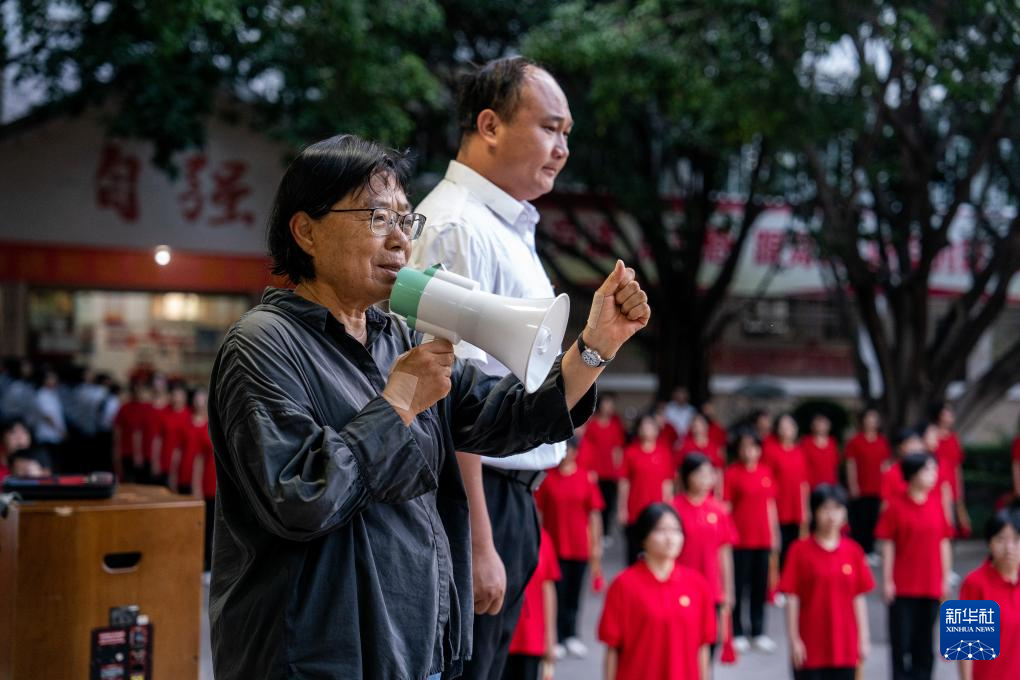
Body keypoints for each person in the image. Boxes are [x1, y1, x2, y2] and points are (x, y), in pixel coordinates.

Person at [208, 134, 649, 680]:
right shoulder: (262, 345)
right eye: (377, 217)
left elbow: (508, 417)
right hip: (315, 653)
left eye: (405, 220)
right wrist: (397, 403)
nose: (400, 240)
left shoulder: (396, 337)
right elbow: (299, 498)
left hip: (412, 645)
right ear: (307, 231)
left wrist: (595, 346)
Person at [408, 56, 577, 680]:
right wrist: (479, 540)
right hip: (478, 501)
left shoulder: (503, 223)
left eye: (566, 134)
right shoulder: (457, 228)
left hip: (510, 499)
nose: (561, 149)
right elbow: (449, 396)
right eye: (550, 128)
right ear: (490, 125)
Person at [598, 503, 716, 680]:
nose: (670, 538)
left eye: (676, 530)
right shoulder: (624, 585)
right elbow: (612, 648)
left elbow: (703, 647)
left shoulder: (697, 585)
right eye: (661, 530)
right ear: (643, 537)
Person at [779, 484, 873, 680]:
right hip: (811, 646)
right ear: (815, 512)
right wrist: (794, 639)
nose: (831, 516)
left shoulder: (854, 551)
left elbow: (859, 598)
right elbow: (792, 599)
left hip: (845, 645)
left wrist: (863, 638)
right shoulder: (799, 551)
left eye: (837, 509)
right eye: (825, 509)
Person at [875, 452, 953, 680]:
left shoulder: (937, 503)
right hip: (903, 585)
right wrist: (887, 581)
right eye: (928, 470)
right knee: (901, 641)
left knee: (925, 640)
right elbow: (888, 545)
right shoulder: (895, 506)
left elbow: (944, 542)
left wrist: (945, 578)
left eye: (934, 469)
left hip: (931, 584)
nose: (934, 475)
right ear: (913, 474)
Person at [534, 437, 603, 658]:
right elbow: (539, 512)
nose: (566, 454)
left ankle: (571, 634)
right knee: (557, 593)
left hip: (579, 546)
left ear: (575, 452)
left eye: (570, 450)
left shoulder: (585, 478)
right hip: (555, 546)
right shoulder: (547, 478)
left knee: (574, 593)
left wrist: (595, 546)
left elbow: (594, 515)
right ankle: (556, 637)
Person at [674, 452, 737, 658]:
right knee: (681, 645)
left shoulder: (719, 510)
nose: (706, 479)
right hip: (680, 587)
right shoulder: (673, 509)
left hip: (711, 589)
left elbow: (724, 552)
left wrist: (728, 590)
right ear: (687, 476)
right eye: (700, 474)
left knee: (707, 645)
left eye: (710, 474)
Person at [724, 432, 780, 654]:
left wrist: (774, 533)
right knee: (739, 586)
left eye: (753, 447)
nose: (749, 452)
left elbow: (770, 505)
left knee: (760, 586)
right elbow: (727, 508)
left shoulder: (766, 472)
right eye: (744, 447)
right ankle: (737, 631)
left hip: (762, 538)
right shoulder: (732, 473)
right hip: (740, 540)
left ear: (759, 450)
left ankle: (758, 631)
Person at [957, 508, 1020, 680]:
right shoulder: (974, 583)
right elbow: (963, 645)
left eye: (1016, 539)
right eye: (1001, 539)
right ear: (990, 543)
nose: (1009, 548)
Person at [505, 528, 560, 680]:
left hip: (531, 637)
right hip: (498, 637)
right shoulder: (495, 532)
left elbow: (548, 588)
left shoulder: (542, 538)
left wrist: (550, 636)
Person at [618, 414, 674, 564]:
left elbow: (667, 483)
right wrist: (622, 509)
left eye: (650, 426)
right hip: (635, 509)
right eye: (643, 426)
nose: (646, 429)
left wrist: (668, 507)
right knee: (634, 552)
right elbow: (624, 483)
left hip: (657, 510)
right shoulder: (630, 452)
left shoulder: (664, 453)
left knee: (656, 550)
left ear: (657, 430)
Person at [763, 414, 809, 568]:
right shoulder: (770, 451)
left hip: (796, 507)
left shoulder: (799, 451)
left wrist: (806, 508)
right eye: (782, 427)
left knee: (795, 546)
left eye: (790, 426)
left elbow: (804, 482)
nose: (786, 430)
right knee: (778, 547)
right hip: (779, 506)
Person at [845, 407, 891, 557]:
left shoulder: (882, 441)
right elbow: (851, 464)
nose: (871, 422)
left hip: (877, 488)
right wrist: (853, 485)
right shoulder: (855, 441)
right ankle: (859, 549)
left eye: (874, 419)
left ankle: (870, 550)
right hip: (861, 488)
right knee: (860, 520)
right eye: (868, 418)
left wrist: (886, 487)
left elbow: (885, 466)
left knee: (874, 519)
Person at [579, 394, 626, 540]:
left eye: (610, 404)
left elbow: (617, 449)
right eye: (606, 403)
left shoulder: (615, 425)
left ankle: (606, 531)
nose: (608, 407)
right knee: (595, 503)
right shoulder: (592, 424)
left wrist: (618, 468)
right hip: (595, 470)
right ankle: (594, 532)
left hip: (610, 471)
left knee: (609, 502)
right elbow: (586, 447)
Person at [930, 402, 971, 536]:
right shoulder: (931, 436)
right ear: (939, 415)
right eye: (947, 413)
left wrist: (960, 489)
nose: (950, 416)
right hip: (934, 485)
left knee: (951, 523)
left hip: (951, 485)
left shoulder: (954, 438)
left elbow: (957, 467)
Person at [152, 383, 191, 487]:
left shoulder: (190, 415)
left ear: (185, 397)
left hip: (183, 464)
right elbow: (157, 439)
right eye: (174, 395)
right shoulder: (165, 413)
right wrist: (155, 462)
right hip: (165, 461)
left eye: (180, 395)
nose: (177, 398)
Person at [800, 414, 839, 489]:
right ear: (812, 425)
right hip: (814, 485)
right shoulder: (806, 442)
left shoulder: (832, 442)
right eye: (819, 423)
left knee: (842, 494)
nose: (821, 426)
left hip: (832, 483)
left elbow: (835, 465)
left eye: (824, 423)